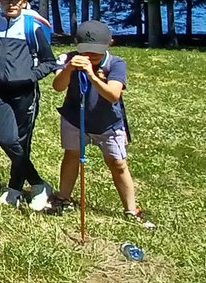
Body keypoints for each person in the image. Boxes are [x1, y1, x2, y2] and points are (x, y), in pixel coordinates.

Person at [49, 21, 154, 228]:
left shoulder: (116, 64)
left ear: (109, 44)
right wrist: (69, 68)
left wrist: (92, 76)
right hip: (75, 120)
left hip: (108, 124)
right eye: (86, 50)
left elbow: (113, 95)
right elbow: (58, 86)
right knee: (71, 156)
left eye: (96, 50)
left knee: (117, 163)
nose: (91, 55)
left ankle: (131, 209)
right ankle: (63, 198)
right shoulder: (68, 59)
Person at [0, 0, 57, 210]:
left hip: (25, 93)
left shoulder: (32, 27)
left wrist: (29, 77)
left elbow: (49, 61)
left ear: (24, 1)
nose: (11, 3)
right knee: (6, 140)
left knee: (22, 143)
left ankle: (14, 189)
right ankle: (38, 183)